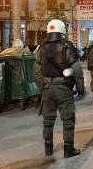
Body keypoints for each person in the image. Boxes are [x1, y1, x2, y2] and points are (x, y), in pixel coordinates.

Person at [34, 19, 81, 158]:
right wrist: (80, 88)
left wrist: (43, 88)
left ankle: (48, 147)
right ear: (62, 31)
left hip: (48, 87)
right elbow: (76, 68)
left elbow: (36, 70)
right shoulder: (67, 46)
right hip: (63, 88)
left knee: (48, 119)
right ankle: (68, 149)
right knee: (68, 118)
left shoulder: (40, 48)